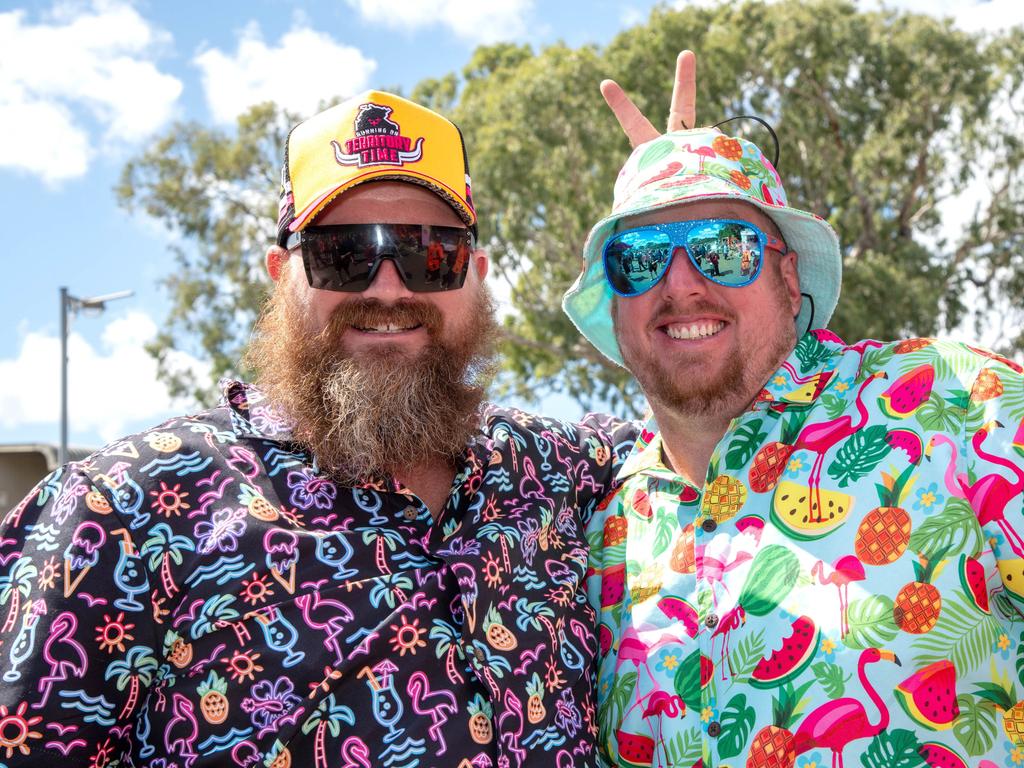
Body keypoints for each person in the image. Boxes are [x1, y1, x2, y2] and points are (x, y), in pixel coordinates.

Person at [0, 91, 640, 768]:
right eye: (342, 254)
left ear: (475, 278)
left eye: (431, 255)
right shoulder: (122, 508)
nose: (391, 290)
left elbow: (728, 424)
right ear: (282, 276)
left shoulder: (560, 469)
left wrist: (689, 213)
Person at [565, 69, 1024, 765]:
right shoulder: (596, 534)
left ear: (788, 278)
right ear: (616, 301)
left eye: (724, 247)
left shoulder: (956, 400)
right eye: (642, 258)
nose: (682, 282)